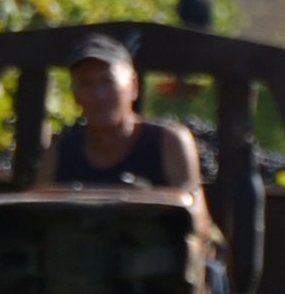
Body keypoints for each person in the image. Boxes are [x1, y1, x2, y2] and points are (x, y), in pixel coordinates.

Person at [49, 37, 206, 222]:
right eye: (86, 84)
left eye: (108, 81)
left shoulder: (169, 144)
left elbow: (197, 222)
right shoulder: (59, 155)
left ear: (133, 86)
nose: (99, 95)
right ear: (75, 95)